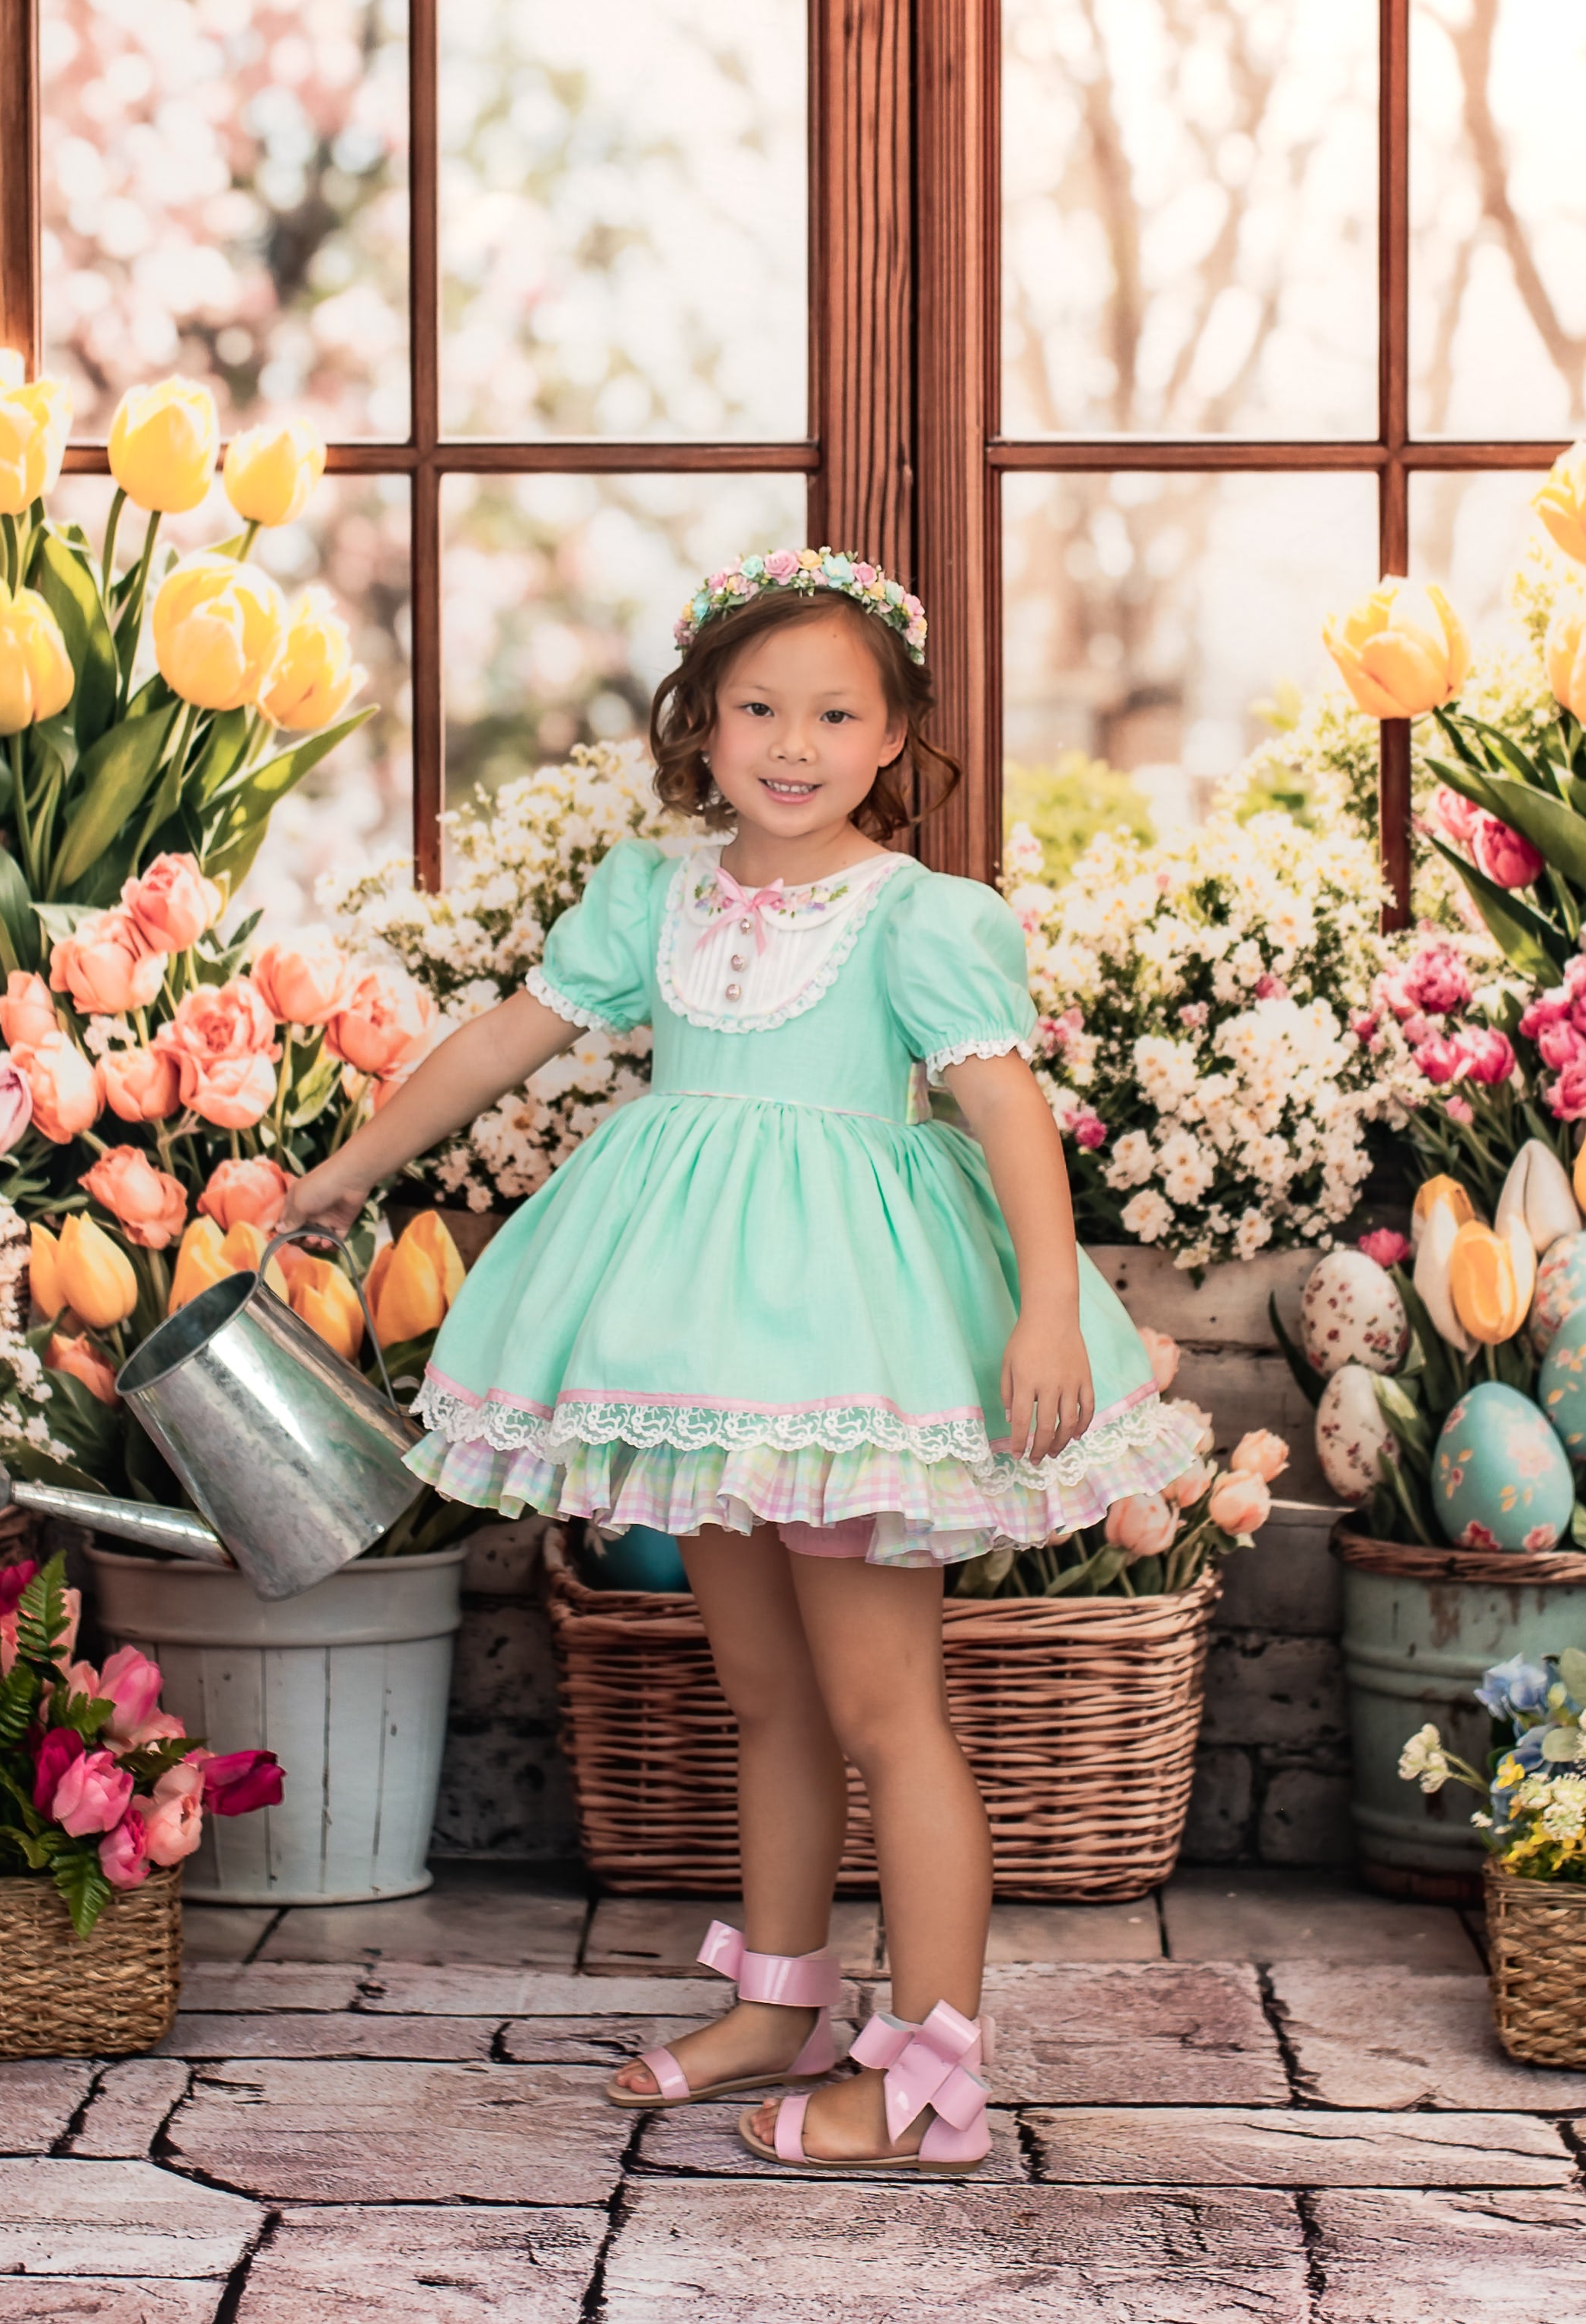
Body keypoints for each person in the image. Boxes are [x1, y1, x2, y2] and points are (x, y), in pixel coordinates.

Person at [287, 547, 1193, 2174]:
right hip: (701, 1340)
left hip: (851, 1346)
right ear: (697, 723)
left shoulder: (923, 918)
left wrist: (1046, 1304)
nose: (792, 741)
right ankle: (775, 1993)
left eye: (835, 710)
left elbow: (1007, 1119)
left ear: (895, 730)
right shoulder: (652, 895)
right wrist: (365, 1159)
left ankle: (930, 2073)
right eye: (756, 706)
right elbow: (511, 1031)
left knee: (883, 1704)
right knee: (764, 1690)